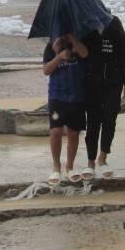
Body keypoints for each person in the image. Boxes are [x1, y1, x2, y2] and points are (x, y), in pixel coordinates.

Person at [81, 16, 125, 180]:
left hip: (113, 82)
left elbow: (124, 50)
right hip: (91, 82)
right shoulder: (85, 24)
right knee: (92, 122)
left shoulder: (114, 23)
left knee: (109, 120)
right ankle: (90, 161)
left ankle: (102, 158)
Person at [42, 33, 89, 185]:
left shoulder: (80, 41)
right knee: (56, 131)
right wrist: (60, 56)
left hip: (77, 94)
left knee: (74, 133)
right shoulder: (51, 45)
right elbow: (46, 70)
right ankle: (56, 166)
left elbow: (84, 54)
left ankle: (70, 167)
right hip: (57, 94)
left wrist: (71, 39)